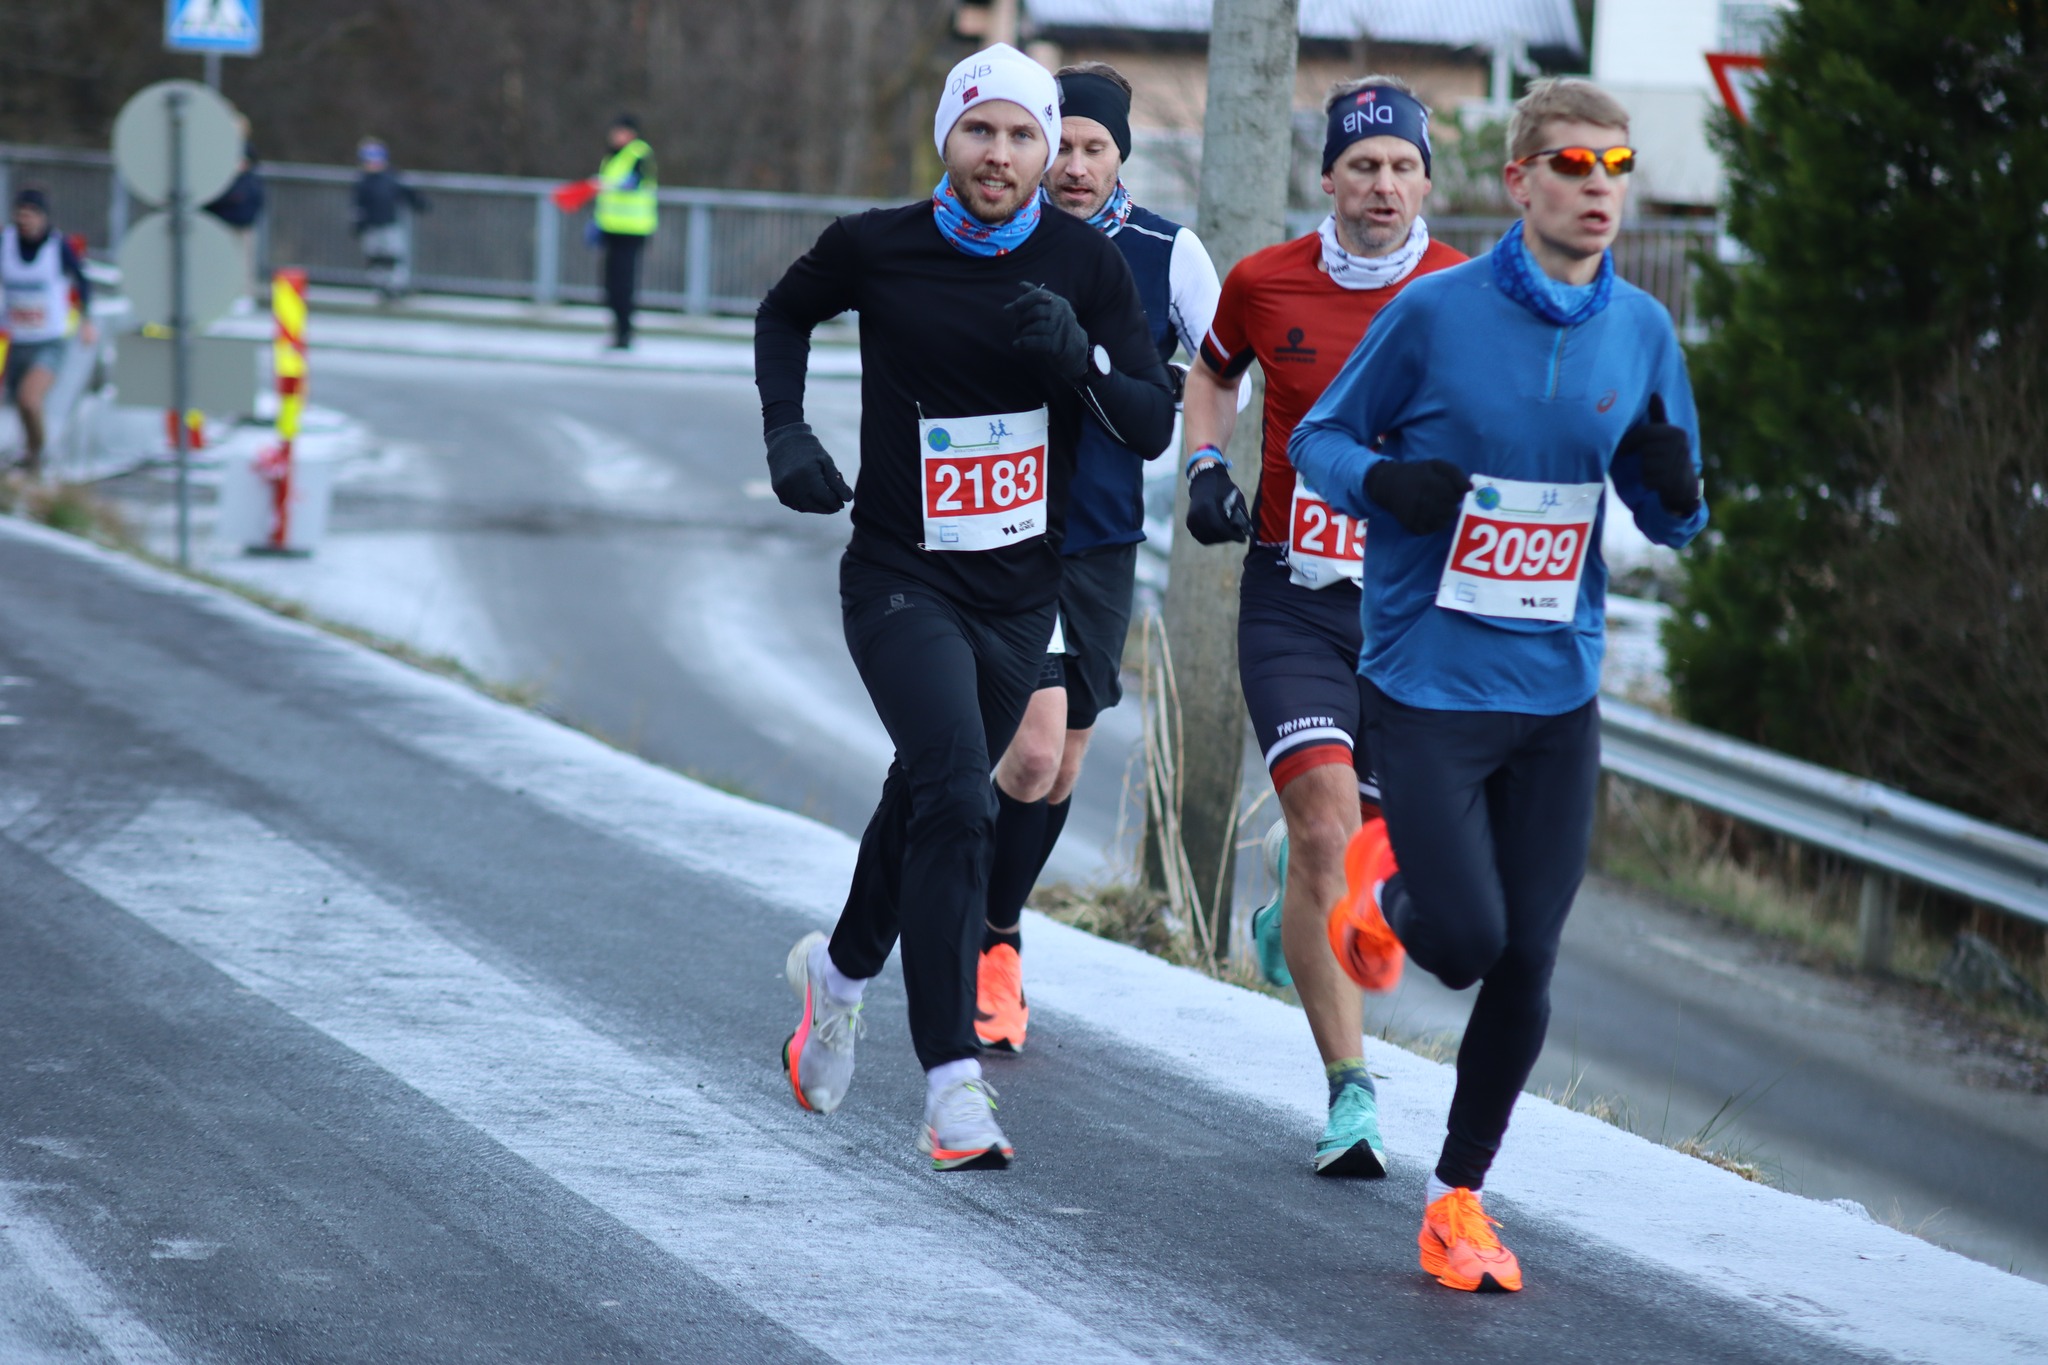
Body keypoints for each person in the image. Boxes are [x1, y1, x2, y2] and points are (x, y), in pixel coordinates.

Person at [1291, 77, 1707, 1292]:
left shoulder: (1641, 332)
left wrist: (1673, 488)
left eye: (1614, 166)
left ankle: (1456, 1201)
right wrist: (1383, 485)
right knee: (1466, 943)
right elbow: (1319, 440)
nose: (1596, 186)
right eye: (1571, 164)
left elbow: (1672, 521)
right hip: (1428, 680)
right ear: (1518, 181)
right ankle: (1382, 888)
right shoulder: (1434, 313)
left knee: (1528, 956)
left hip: (1556, 690)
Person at [756, 44, 1174, 1170]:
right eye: (979, 130)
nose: (1000, 155)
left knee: (924, 799)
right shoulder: (878, 245)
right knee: (956, 793)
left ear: (1047, 149)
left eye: (1022, 135)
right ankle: (951, 1086)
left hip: (1020, 596)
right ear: (947, 135)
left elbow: (1149, 421)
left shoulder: (1086, 264)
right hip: (900, 576)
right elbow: (783, 315)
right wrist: (786, 433)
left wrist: (1082, 362)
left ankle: (838, 977)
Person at [1178, 77, 1464, 1177]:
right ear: (1330, 178)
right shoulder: (1263, 281)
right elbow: (1210, 378)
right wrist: (1206, 464)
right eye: (1362, 165)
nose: (1382, 185)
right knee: (1323, 829)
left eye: (1402, 166)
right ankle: (1352, 1095)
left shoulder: (1466, 293)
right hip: (1292, 596)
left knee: (1367, 870)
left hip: (1416, 616)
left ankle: (1293, 913)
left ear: (1425, 181)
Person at [973, 60, 1234, 1055]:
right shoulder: (995, 231)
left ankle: (992, 917)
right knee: (1032, 748)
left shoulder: (1167, 252)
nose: (1074, 167)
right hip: (1001, 530)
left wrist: (1144, 384)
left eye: (1094, 148)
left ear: (1121, 155)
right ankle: (986, 939)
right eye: (1062, 146)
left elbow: (1226, 374)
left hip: (1100, 531)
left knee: (1063, 761)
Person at [2, 188, 95, 475]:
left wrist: (87, 321)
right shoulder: (6, 243)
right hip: (17, 339)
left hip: (50, 339)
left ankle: (39, 457)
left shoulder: (58, 246)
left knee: (29, 399)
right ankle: (30, 454)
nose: (25, 219)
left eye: (31, 214)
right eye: (20, 213)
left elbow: (82, 281)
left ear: (43, 217)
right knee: (19, 403)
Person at [595, 115, 657, 349]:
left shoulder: (638, 154)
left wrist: (608, 185)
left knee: (623, 284)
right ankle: (618, 331)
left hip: (632, 230)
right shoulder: (613, 156)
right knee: (610, 284)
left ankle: (624, 333)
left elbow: (634, 182)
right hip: (612, 228)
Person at [353, 139, 428, 302]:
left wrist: (420, 203)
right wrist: (358, 222)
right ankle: (381, 286)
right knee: (375, 258)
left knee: (394, 256)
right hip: (371, 226)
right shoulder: (363, 182)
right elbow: (358, 205)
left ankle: (397, 286)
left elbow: (408, 193)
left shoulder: (392, 178)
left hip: (390, 224)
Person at [203, 139, 266, 302]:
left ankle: (244, 296)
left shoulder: (249, 180)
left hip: (241, 228)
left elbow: (252, 202)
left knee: (244, 265)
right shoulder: (223, 179)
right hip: (221, 228)